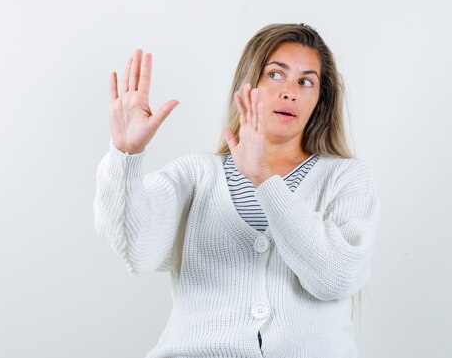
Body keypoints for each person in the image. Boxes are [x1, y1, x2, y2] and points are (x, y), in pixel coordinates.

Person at [93, 23, 381, 358]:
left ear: (320, 99)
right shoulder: (197, 175)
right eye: (276, 75)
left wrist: (264, 179)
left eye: (306, 82)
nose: (290, 92)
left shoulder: (345, 178)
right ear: (249, 84)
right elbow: (134, 246)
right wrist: (125, 156)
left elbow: (336, 278)